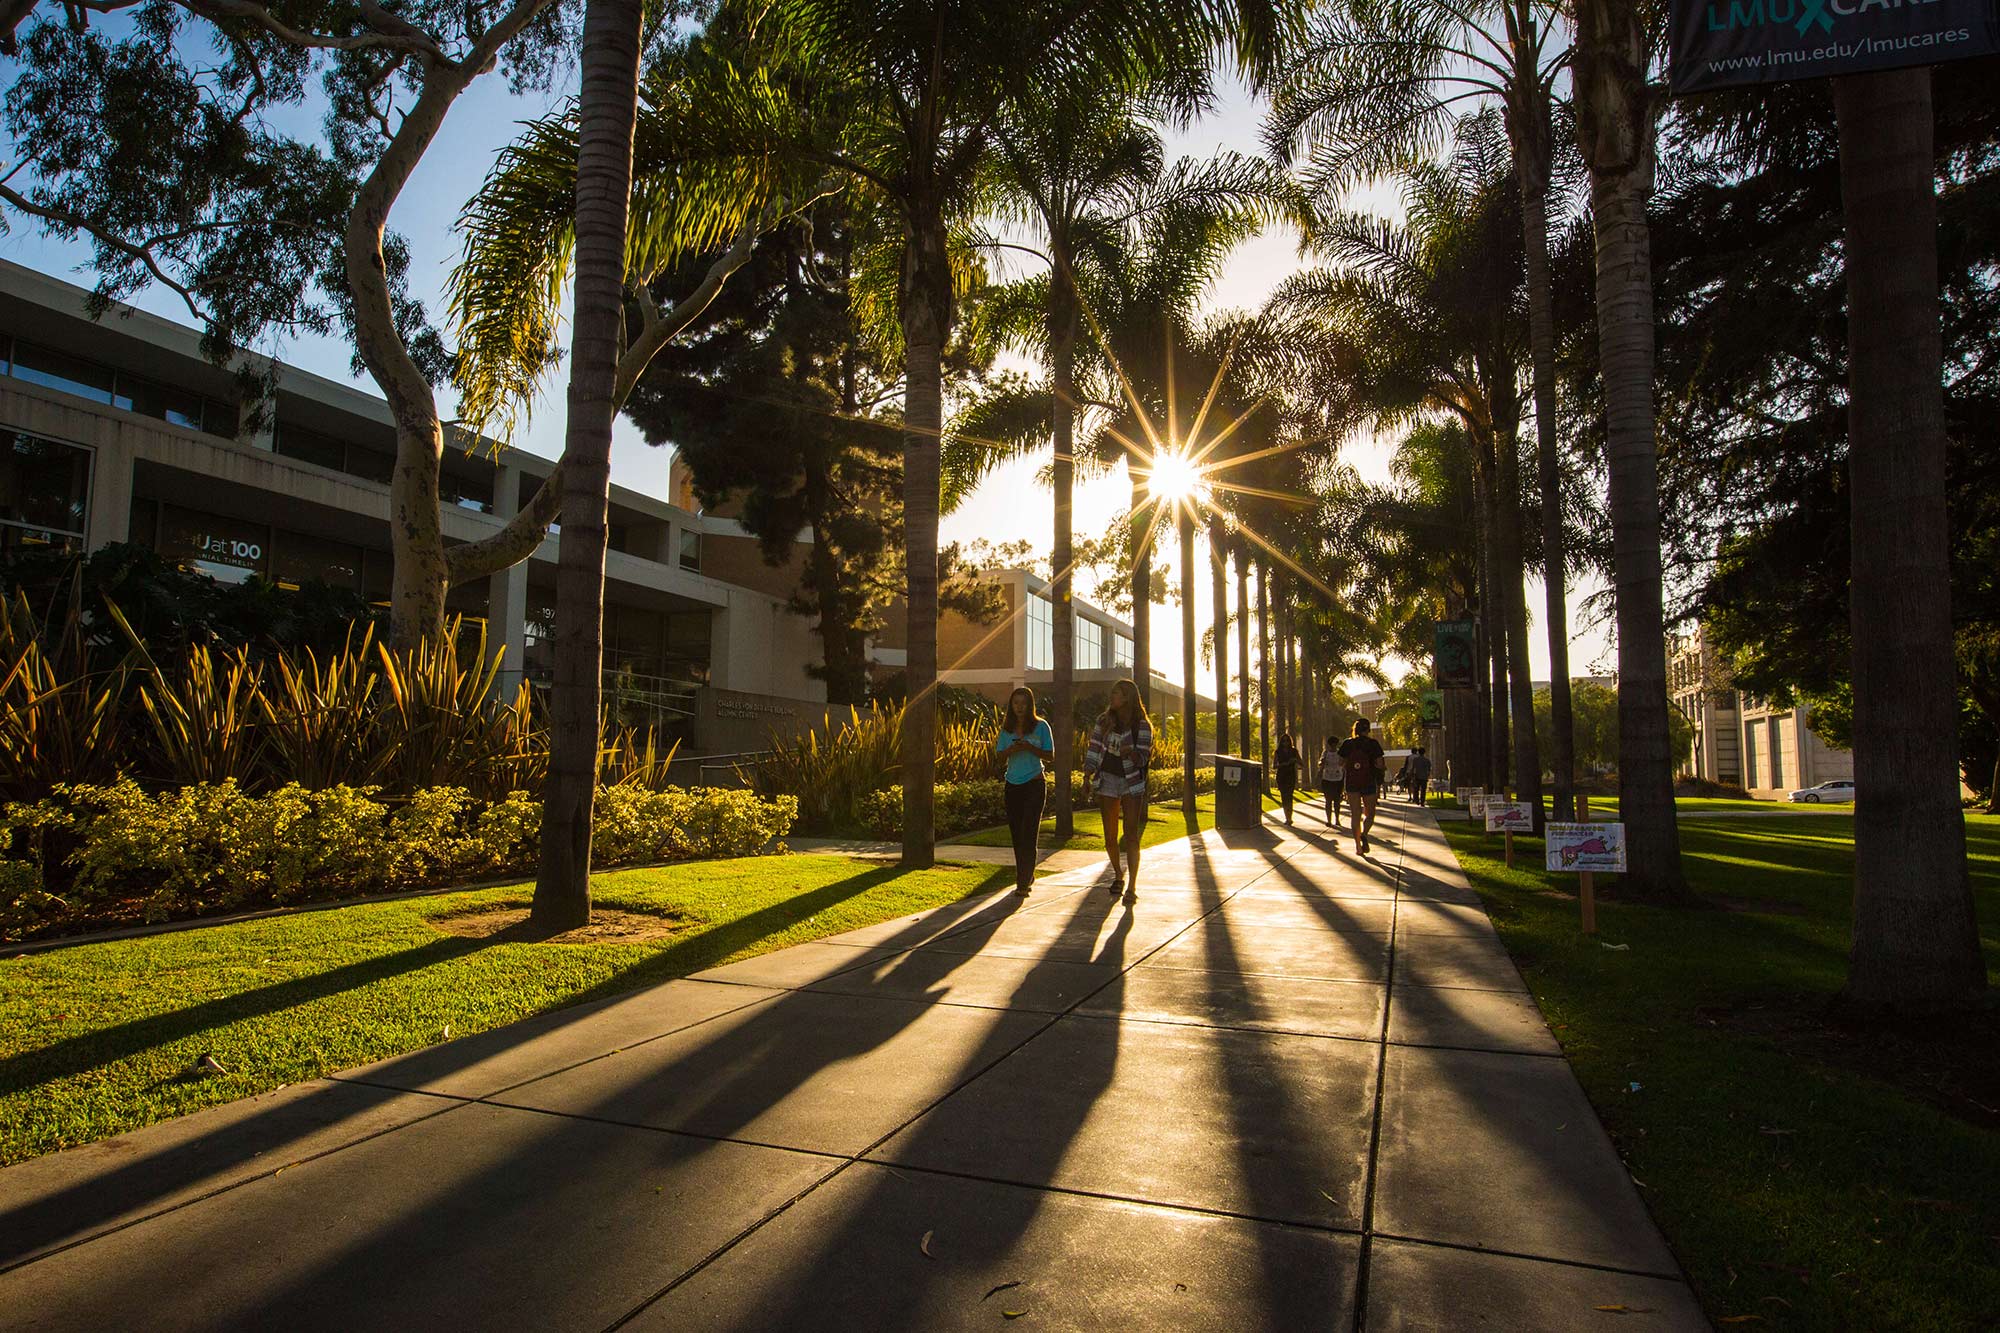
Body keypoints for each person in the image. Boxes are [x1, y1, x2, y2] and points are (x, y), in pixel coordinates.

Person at [1084, 678, 1151, 899]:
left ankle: (1132, 886)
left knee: (1130, 834)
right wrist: (1087, 774)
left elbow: (1143, 759)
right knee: (1110, 836)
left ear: (1127, 698)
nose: (1112, 697)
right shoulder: (1104, 721)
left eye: (1116, 693)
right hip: (1107, 780)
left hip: (1131, 782)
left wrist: (1130, 752)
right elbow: (1094, 748)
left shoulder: (1142, 726)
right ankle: (1118, 875)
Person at [993, 686, 1055, 893]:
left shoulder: (1041, 726)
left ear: (1030, 705)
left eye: (1023, 703)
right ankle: (1027, 874)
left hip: (1034, 784)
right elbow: (999, 756)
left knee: (1029, 832)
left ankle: (1022, 882)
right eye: (1016, 703)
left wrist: (1029, 747)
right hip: (1013, 785)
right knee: (1017, 834)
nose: (1019, 707)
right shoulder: (1006, 729)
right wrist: (1012, 749)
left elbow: (1050, 755)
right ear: (1011, 705)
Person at [1338, 717, 1387, 854]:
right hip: (1369, 780)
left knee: (1355, 814)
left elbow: (1340, 763)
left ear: (1355, 729)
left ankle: (1358, 847)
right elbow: (1379, 764)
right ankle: (1364, 833)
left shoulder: (1347, 743)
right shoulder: (1373, 744)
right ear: (1368, 730)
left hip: (1352, 781)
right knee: (1369, 813)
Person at [1273, 731, 1300, 826]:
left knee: (1289, 796)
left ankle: (1290, 818)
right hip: (1281, 776)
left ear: (1290, 742)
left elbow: (1301, 764)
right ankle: (1287, 817)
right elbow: (1274, 765)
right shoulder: (1277, 752)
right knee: (1284, 797)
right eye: (1283, 741)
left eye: (1287, 741)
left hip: (1291, 776)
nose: (1285, 743)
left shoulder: (1294, 751)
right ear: (1281, 742)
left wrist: (1295, 761)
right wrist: (1284, 764)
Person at [1317, 735, 1343, 828]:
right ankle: (1329, 820)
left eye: (1334, 744)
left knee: (1337, 801)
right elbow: (1320, 763)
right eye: (1331, 744)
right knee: (1328, 800)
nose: (1333, 746)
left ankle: (1337, 819)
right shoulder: (1325, 753)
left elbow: (1343, 763)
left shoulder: (1340, 753)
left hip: (1338, 778)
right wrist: (1322, 763)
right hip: (1327, 778)